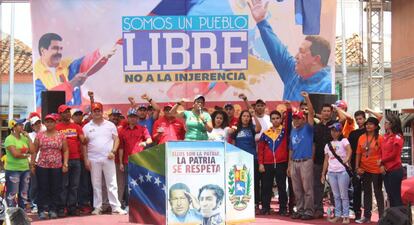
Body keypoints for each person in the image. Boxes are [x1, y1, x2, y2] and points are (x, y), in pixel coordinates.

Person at [247, 0, 332, 101]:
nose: (296, 56)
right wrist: (261, 22)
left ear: (316, 59)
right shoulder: (292, 71)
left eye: (302, 52)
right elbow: (277, 49)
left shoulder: (327, 86)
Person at [34, 33, 117, 106]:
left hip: (76, 118)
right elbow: (43, 102)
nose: (59, 52)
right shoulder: (36, 76)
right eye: (55, 48)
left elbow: (85, 63)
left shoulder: (67, 65)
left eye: (61, 48)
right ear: (43, 51)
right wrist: (71, 84)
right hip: (54, 121)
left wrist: (101, 54)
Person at [82, 102, 126, 215]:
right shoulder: (86, 127)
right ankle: (98, 207)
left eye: (99, 111)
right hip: (93, 158)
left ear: (102, 112)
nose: (97, 113)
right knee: (96, 184)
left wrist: (113, 151)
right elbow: (84, 144)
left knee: (112, 183)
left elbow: (116, 140)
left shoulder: (110, 125)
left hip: (108, 158)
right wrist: (86, 159)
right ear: (91, 113)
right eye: (94, 111)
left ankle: (115, 207)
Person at [31, 114, 69, 220]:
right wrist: (32, 165)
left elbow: (65, 150)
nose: (49, 123)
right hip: (42, 165)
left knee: (56, 188)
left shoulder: (61, 135)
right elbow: (35, 150)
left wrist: (65, 163)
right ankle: (41, 210)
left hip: (57, 165)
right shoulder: (40, 135)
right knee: (43, 188)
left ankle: (53, 210)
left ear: (56, 123)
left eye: (51, 121)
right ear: (45, 123)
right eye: (47, 121)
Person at [257, 102, 292, 216]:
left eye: (278, 118)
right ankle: (265, 208)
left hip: (282, 163)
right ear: (270, 120)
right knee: (266, 187)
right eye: (273, 118)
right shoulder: (265, 133)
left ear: (281, 119)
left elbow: (289, 121)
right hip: (267, 164)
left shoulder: (285, 131)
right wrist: (261, 164)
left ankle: (283, 209)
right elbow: (261, 150)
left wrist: (289, 108)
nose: (276, 120)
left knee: (282, 187)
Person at [117, 108, 152, 209]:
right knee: (128, 184)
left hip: (140, 161)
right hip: (127, 161)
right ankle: (129, 205)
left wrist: (145, 142)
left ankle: (141, 205)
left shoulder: (143, 129)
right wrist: (120, 163)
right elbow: (121, 148)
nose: (133, 119)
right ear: (127, 118)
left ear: (137, 118)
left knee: (141, 183)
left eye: (134, 117)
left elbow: (150, 139)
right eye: (131, 117)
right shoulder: (122, 131)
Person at [288, 92, 315, 220]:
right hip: (294, 162)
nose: (296, 120)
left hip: (306, 162)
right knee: (297, 189)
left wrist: (307, 98)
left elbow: (311, 112)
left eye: (298, 118)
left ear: (303, 119)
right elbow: (291, 149)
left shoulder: (308, 128)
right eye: (294, 118)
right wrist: (289, 165)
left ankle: (309, 211)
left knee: (307, 188)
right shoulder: (293, 131)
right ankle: (300, 209)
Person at [56, 104, 87, 216]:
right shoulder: (57, 127)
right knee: (63, 185)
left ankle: (72, 207)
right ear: (60, 114)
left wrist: (87, 138)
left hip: (76, 160)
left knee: (74, 185)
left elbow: (83, 140)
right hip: (62, 160)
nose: (67, 114)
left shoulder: (77, 127)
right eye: (65, 112)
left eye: (68, 111)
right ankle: (61, 208)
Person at [321, 122, 352, 224]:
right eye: (332, 130)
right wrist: (323, 173)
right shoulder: (328, 145)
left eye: (336, 131)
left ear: (340, 132)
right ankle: (338, 215)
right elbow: (326, 160)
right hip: (331, 172)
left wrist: (346, 159)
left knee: (344, 195)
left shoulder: (344, 141)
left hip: (342, 171)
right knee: (336, 195)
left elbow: (349, 150)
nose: (334, 133)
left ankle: (346, 216)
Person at [355, 117, 384, 223]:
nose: (368, 126)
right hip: (364, 169)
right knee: (367, 192)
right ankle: (367, 216)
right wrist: (357, 167)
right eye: (367, 124)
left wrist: (382, 164)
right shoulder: (361, 137)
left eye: (371, 124)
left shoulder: (380, 138)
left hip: (376, 169)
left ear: (376, 127)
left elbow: (384, 154)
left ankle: (382, 217)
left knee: (378, 192)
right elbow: (358, 153)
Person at [232, 110, 261, 212]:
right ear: (241, 118)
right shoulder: (236, 130)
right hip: (240, 160)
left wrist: (254, 116)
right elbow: (233, 144)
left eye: (248, 116)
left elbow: (259, 128)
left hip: (252, 158)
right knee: (241, 183)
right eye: (244, 116)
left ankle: (256, 203)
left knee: (254, 182)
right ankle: (242, 203)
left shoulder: (252, 128)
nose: (246, 118)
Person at [313, 103, 335, 218]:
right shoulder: (316, 127)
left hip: (333, 162)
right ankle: (318, 210)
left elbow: (344, 119)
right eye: (324, 111)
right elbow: (314, 144)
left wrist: (336, 108)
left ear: (331, 112)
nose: (326, 113)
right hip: (318, 160)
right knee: (317, 186)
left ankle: (337, 210)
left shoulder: (335, 125)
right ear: (321, 113)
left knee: (334, 187)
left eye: (328, 111)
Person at [4, 119, 33, 209]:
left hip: (25, 169)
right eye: (19, 125)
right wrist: (26, 155)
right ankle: (12, 215)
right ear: (13, 127)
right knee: (12, 193)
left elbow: (32, 150)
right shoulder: (9, 139)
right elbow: (15, 154)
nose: (22, 126)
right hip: (13, 170)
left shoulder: (24, 138)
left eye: (22, 124)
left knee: (24, 193)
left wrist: (28, 137)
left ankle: (22, 213)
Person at [380, 113, 404, 207]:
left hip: (395, 170)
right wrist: (382, 164)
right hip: (386, 171)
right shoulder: (385, 136)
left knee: (396, 197)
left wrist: (382, 161)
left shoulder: (397, 137)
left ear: (392, 124)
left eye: (386, 122)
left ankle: (401, 219)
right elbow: (381, 152)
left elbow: (394, 155)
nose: (384, 124)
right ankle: (394, 218)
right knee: (390, 196)